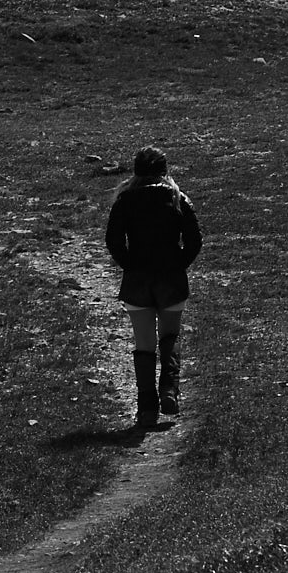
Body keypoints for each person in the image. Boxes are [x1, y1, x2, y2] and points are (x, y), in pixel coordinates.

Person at [103, 146, 202, 433]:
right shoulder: (177, 198)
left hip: (138, 281)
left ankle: (147, 407)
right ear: (164, 170)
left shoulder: (125, 200)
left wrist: (130, 266)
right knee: (170, 335)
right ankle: (169, 390)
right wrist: (178, 264)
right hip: (170, 278)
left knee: (143, 342)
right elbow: (195, 240)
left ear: (136, 171)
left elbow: (114, 241)